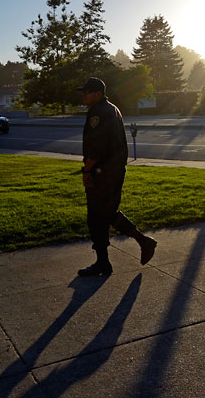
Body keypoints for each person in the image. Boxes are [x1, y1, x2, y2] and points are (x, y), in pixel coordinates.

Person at [77, 77, 157, 276]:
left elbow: (97, 147)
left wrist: (87, 170)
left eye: (87, 92)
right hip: (113, 171)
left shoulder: (99, 112)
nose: (84, 95)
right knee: (106, 213)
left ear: (98, 93)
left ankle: (106, 261)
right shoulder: (111, 108)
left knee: (96, 217)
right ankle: (139, 243)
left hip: (103, 173)